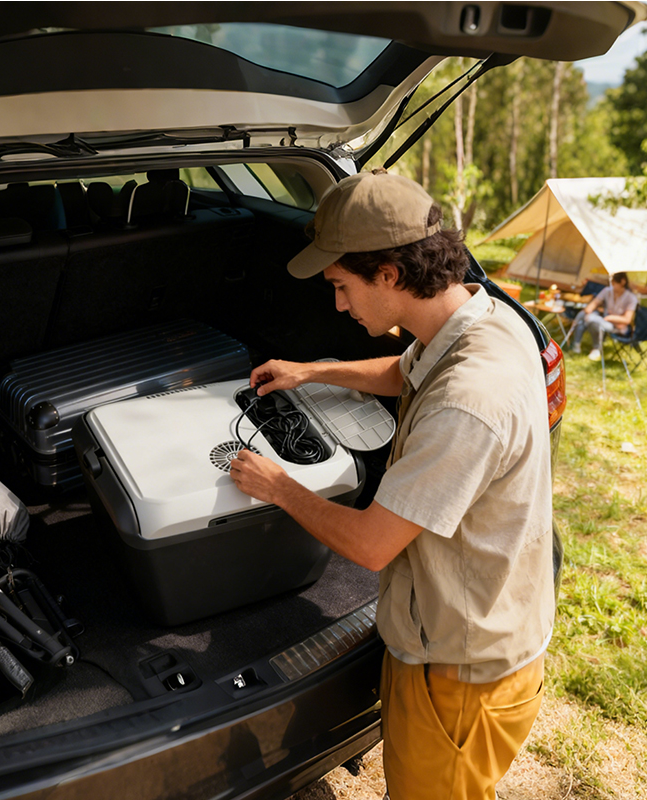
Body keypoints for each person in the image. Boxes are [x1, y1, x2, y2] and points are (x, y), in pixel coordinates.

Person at [228, 169, 554, 800]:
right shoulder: (479, 318)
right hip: (465, 637)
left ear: (388, 274)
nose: (338, 305)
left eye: (341, 286)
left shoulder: (467, 401)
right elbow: (407, 372)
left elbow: (372, 545)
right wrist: (311, 371)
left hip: (460, 674)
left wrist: (280, 485)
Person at [571, 272, 638, 360]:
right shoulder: (608, 291)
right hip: (604, 320)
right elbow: (594, 303)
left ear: (622, 282)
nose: (612, 285)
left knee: (591, 320)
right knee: (584, 315)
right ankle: (576, 345)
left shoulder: (631, 298)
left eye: (614, 283)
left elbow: (627, 320)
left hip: (617, 326)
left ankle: (596, 348)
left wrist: (610, 318)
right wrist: (590, 308)